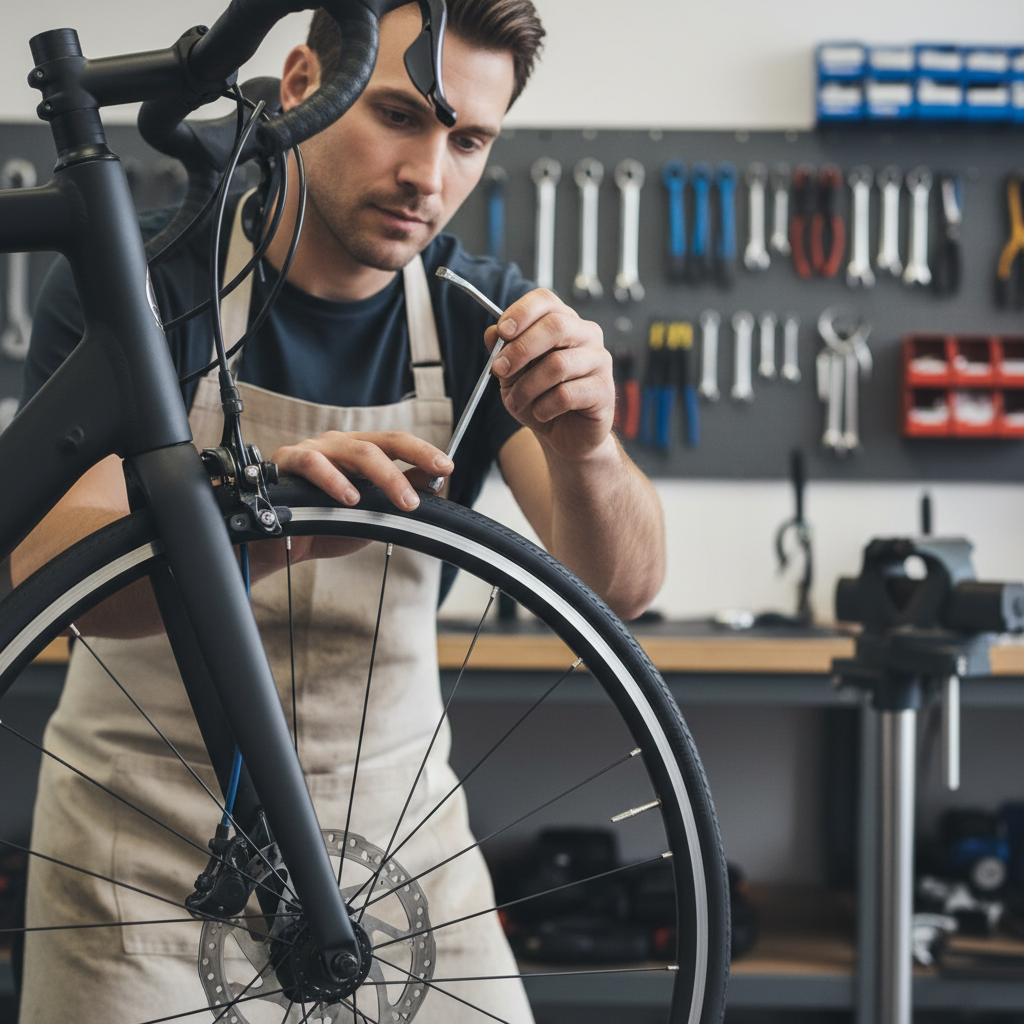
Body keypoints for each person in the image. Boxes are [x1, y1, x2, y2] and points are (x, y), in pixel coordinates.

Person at [13, 2, 666, 1021]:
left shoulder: (476, 314)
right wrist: (266, 522)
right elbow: (54, 577)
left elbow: (618, 589)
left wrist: (588, 444)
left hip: (394, 847)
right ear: (304, 81)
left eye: (469, 139)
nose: (430, 174)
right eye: (402, 116)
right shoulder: (141, 282)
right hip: (142, 847)